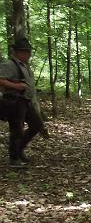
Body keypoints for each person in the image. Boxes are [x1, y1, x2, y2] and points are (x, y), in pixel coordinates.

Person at [0, 36, 44, 168]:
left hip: (26, 101)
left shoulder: (25, 66)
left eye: (28, 52)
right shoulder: (10, 64)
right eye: (23, 52)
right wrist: (16, 86)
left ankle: (18, 150)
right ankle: (14, 158)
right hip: (14, 101)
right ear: (16, 52)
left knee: (37, 125)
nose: (27, 55)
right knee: (17, 129)